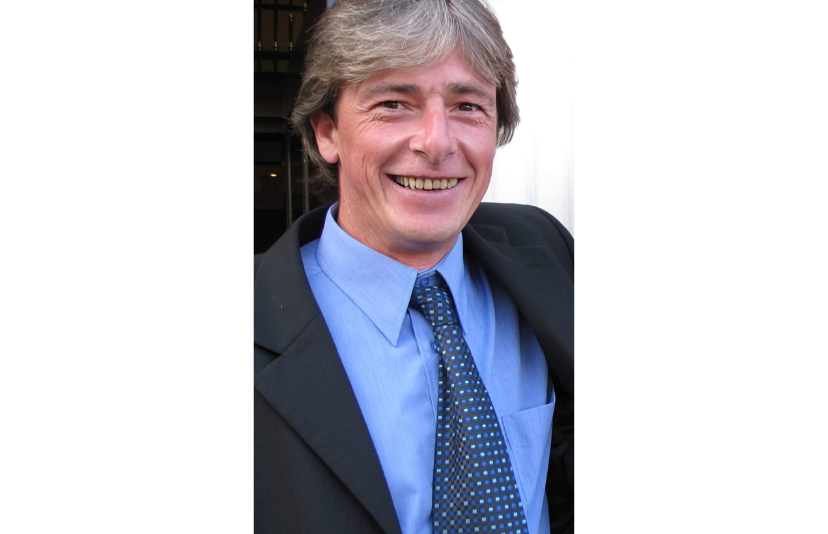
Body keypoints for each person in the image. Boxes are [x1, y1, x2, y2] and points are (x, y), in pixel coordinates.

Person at [254, 1, 573, 533]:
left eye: (467, 106)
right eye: (393, 103)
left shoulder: (547, 254)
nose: (437, 142)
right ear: (327, 132)